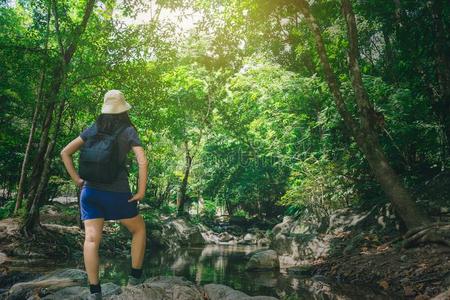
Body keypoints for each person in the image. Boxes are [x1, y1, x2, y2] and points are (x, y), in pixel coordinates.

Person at [60, 90, 148, 299]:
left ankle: (94, 292)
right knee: (138, 229)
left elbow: (65, 152)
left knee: (91, 240)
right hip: (117, 193)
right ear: (124, 109)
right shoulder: (128, 131)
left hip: (90, 193)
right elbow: (142, 161)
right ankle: (135, 278)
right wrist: (141, 191)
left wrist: (77, 180)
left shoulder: (93, 129)